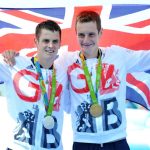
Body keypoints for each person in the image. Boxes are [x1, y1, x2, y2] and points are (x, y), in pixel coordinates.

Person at [2, 10, 150, 150]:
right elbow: (41, 62)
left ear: (100, 33)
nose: (86, 40)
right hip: (83, 142)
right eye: (81, 35)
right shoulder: (64, 62)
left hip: (117, 140)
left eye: (91, 34)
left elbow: (146, 58)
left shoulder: (118, 56)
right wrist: (9, 55)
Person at [0, 20, 69, 150]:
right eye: (46, 40)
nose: (51, 45)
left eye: (55, 41)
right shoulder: (14, 63)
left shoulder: (64, 71)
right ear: (36, 42)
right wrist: (6, 54)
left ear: (60, 44)